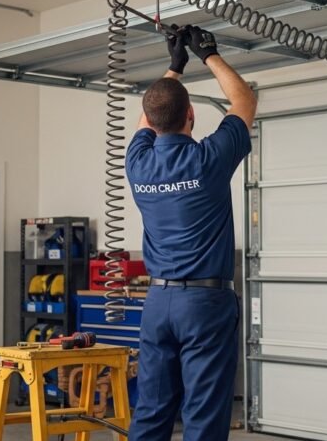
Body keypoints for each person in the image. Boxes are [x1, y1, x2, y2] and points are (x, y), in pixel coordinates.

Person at [125, 25, 257, 440]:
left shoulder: (138, 163)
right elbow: (244, 100)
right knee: (203, 414)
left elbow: (152, 111)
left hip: (158, 302)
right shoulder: (208, 160)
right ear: (192, 115)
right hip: (204, 303)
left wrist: (174, 67)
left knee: (151, 409)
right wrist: (209, 55)